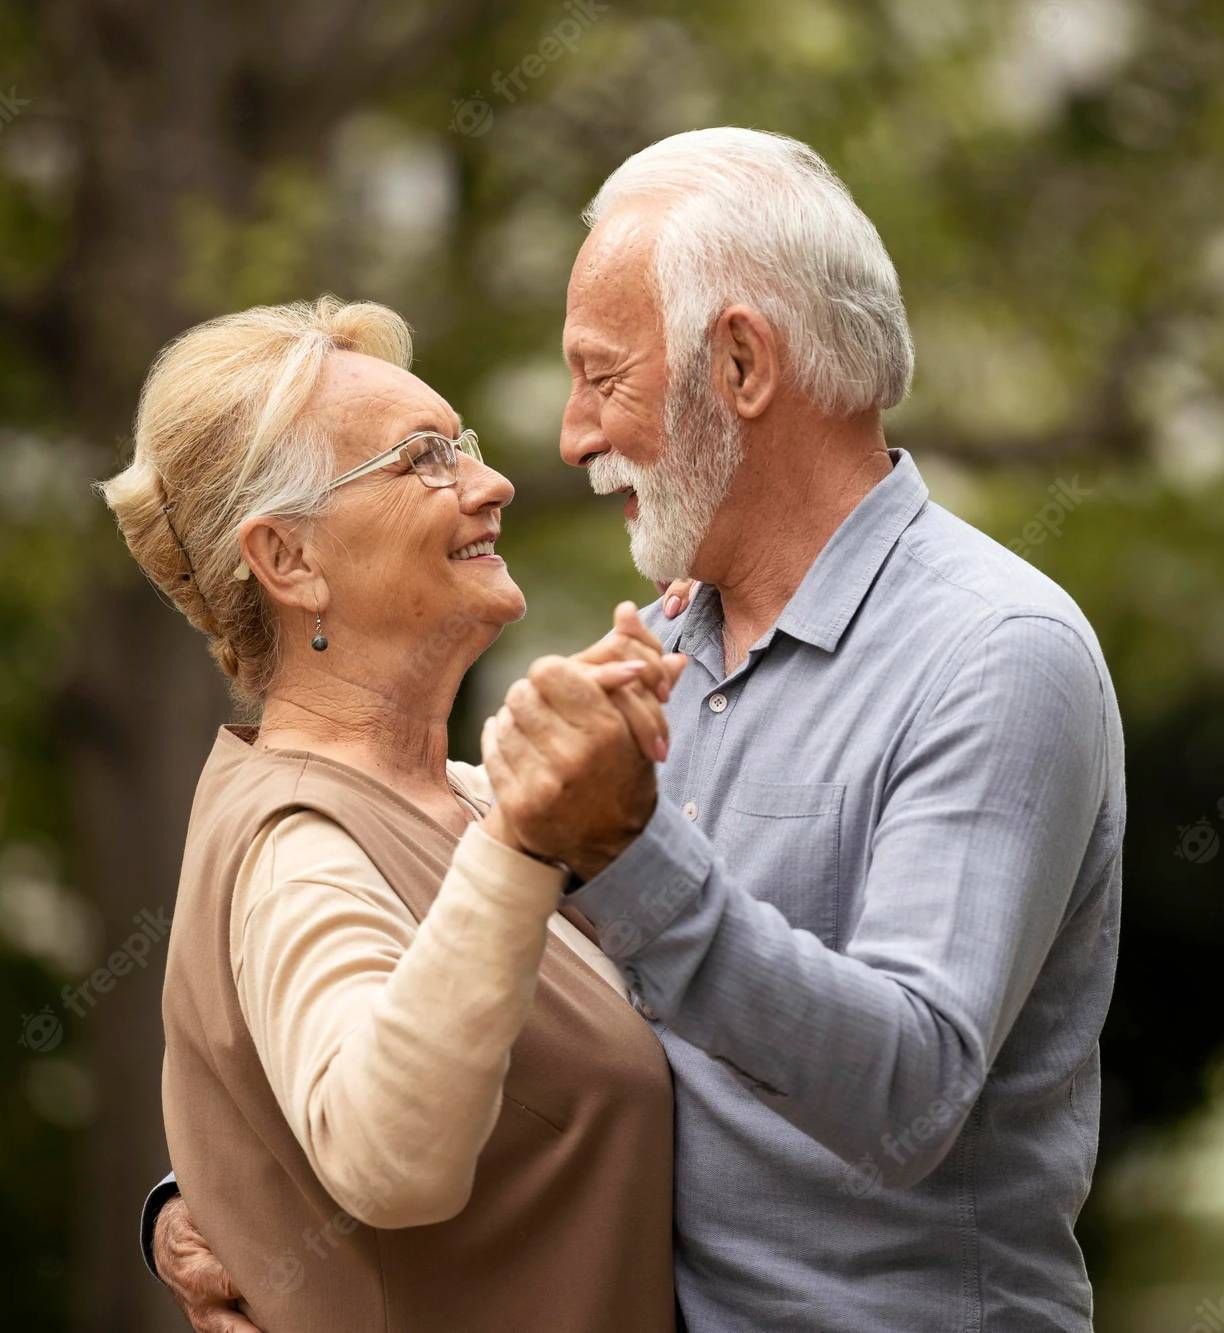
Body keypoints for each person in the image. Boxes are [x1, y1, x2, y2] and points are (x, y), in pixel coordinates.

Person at [151, 129, 1125, 1332]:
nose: (563, 441)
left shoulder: (992, 653)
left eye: (602, 376)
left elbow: (912, 1098)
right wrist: (218, 1202)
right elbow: (432, 1022)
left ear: (739, 363)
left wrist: (627, 852)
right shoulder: (652, 651)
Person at [99, 296, 687, 1332]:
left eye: (462, 445)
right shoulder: (299, 843)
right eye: (424, 458)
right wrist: (523, 839)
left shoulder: (457, 797)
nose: (492, 482)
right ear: (291, 561)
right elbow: (387, 1160)